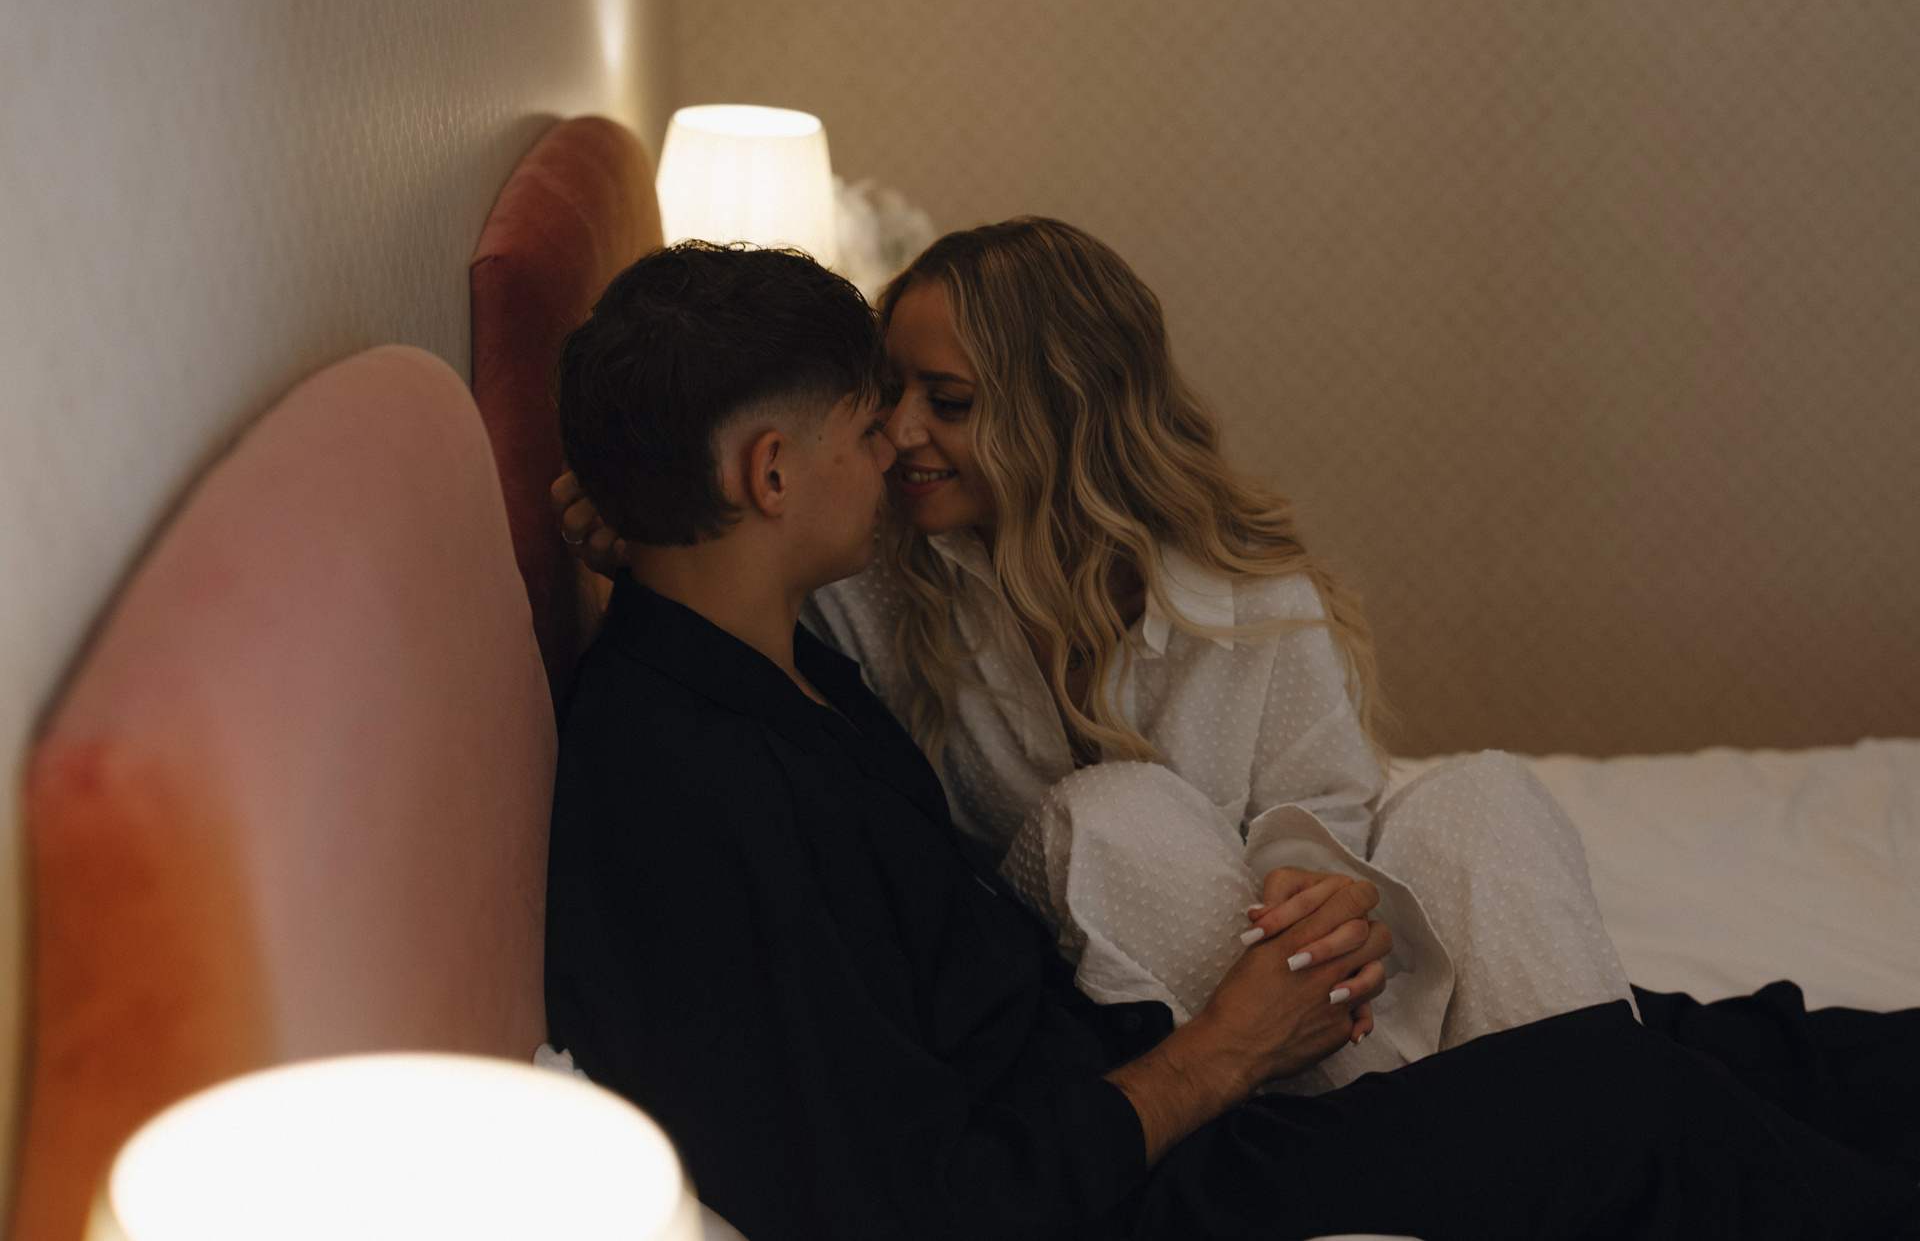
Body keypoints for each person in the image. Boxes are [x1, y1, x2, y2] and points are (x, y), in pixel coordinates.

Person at [544, 239, 1919, 1240]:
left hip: (1126, 1066)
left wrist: (647, 525)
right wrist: (1225, 1053)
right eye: (868, 422)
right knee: (1626, 1101)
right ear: (773, 473)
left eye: (930, 406)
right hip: (1140, 1161)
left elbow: (728, 543)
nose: (896, 447)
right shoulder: (696, 782)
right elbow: (915, 1203)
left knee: (1756, 1052)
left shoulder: (771, 656)